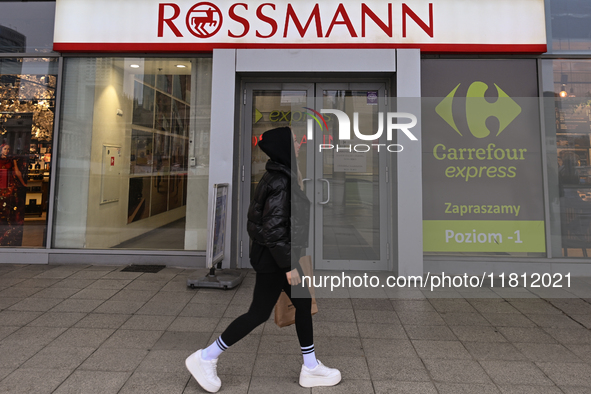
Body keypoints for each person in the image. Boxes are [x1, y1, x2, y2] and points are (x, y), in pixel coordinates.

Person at [185, 127, 341, 392]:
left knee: (302, 305)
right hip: (277, 261)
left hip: (278, 257)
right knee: (258, 313)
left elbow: (265, 225)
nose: (299, 143)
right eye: (293, 140)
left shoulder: (280, 175)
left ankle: (311, 367)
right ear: (283, 145)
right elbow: (273, 230)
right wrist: (290, 266)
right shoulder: (281, 181)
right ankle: (205, 357)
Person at [0, 143, 27, 246]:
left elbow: (17, 171)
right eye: (5, 149)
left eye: (8, 149)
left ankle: (8, 226)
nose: (7, 151)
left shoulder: (12, 159)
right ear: (1, 149)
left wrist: (23, 183)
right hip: (0, 184)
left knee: (10, 205)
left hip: (9, 185)